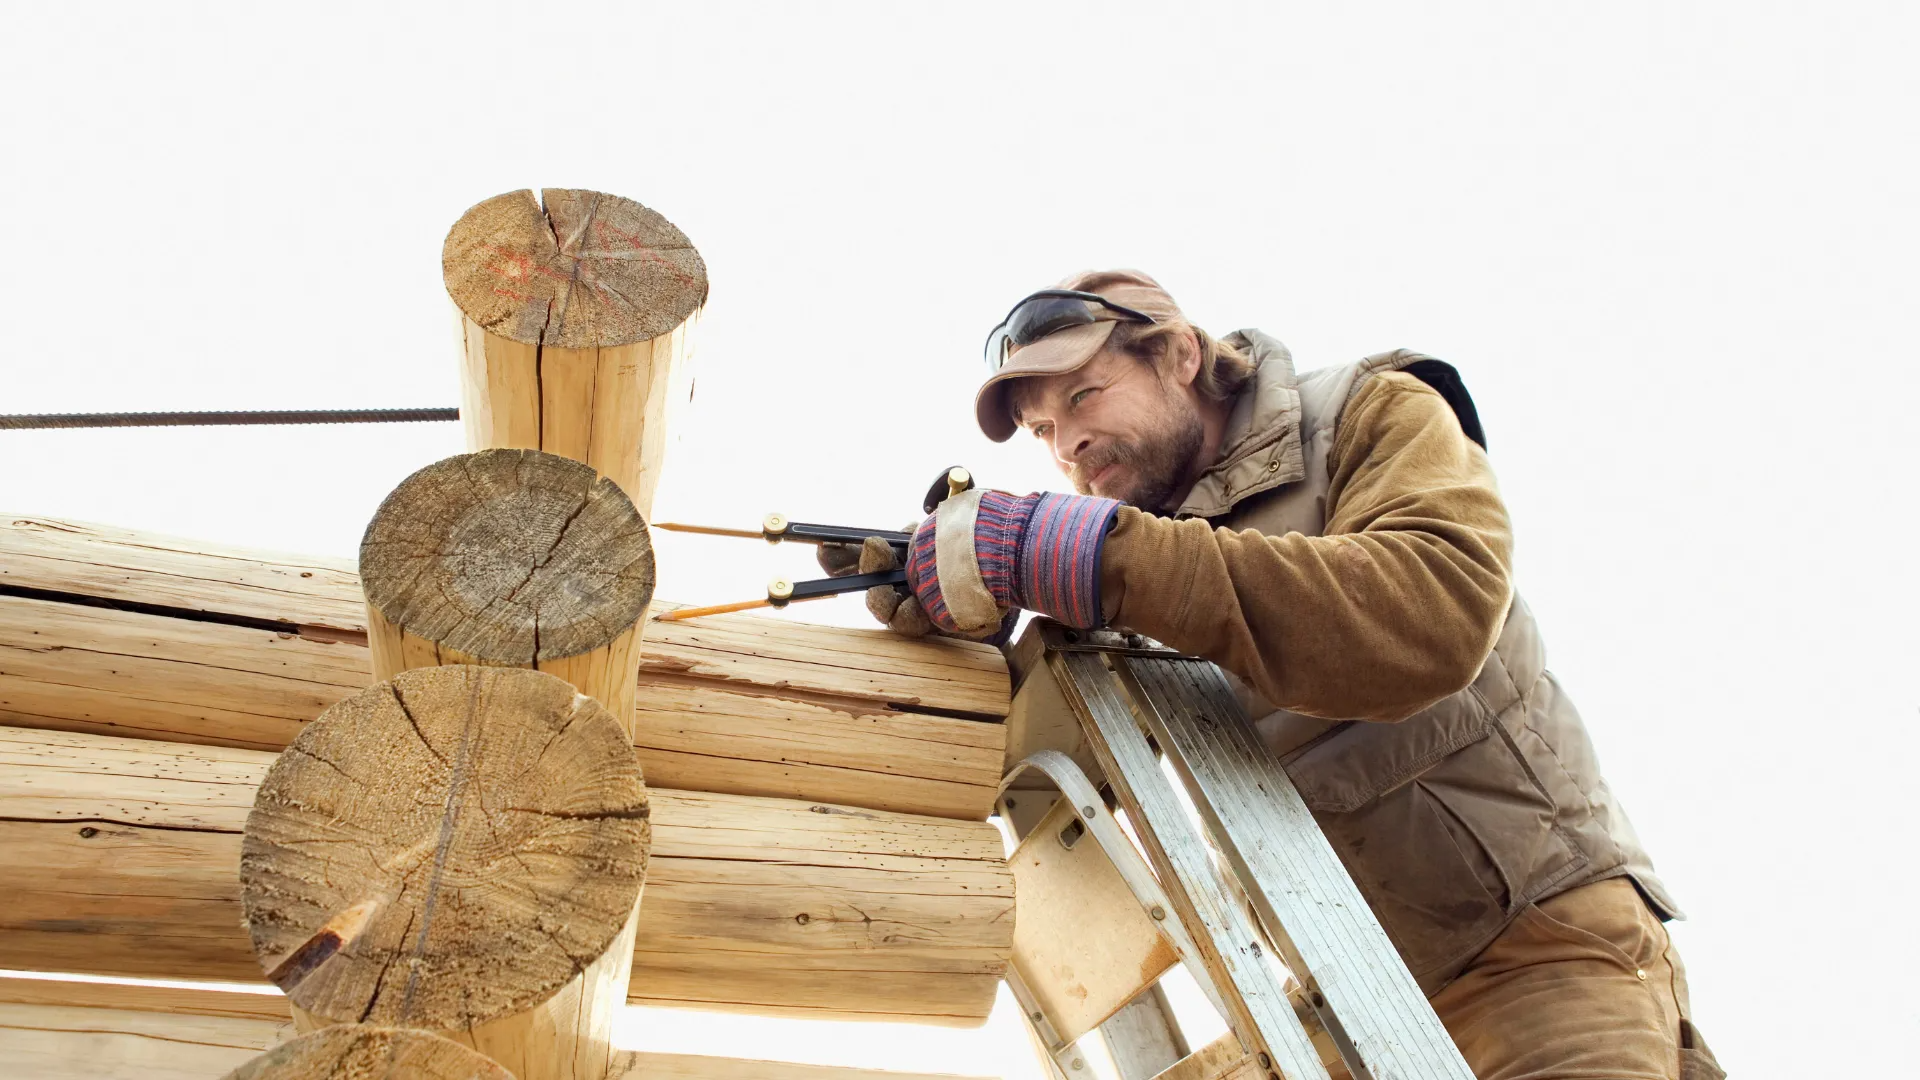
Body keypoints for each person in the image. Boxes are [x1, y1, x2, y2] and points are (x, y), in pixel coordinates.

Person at [830, 271, 1724, 1080]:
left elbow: (1430, 617)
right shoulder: (1137, 556)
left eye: (1085, 394)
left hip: (1534, 949)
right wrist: (975, 621)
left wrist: (1089, 558)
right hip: (1345, 1010)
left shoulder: (1371, 413)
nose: (1071, 443)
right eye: (1045, 433)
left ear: (1180, 354)